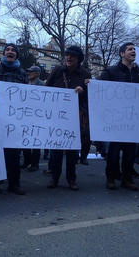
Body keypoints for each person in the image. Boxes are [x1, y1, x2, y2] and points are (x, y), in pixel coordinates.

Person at [0, 43, 28, 195]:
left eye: (13, 50)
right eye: (7, 50)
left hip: (15, 117)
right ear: (4, 54)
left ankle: (14, 184)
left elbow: (26, 95)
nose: (10, 52)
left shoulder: (22, 73)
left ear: (17, 55)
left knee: (14, 152)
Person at [101, 42, 139, 191]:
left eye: (134, 49)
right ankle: (111, 178)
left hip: (132, 119)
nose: (133, 51)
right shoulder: (111, 71)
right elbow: (101, 91)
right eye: (130, 49)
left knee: (130, 151)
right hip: (116, 118)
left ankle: (127, 178)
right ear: (122, 54)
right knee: (113, 151)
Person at [46, 45, 89, 191]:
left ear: (79, 59)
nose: (69, 58)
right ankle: (54, 177)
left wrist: (83, 91)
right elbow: (46, 88)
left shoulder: (84, 73)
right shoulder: (57, 70)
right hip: (57, 116)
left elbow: (91, 95)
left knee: (72, 150)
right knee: (56, 149)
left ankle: (71, 179)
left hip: (75, 117)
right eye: (67, 55)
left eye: (72, 56)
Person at [21, 65, 44, 172]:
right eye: (28, 71)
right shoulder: (25, 83)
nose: (28, 73)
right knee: (24, 140)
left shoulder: (42, 85)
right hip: (25, 116)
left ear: (37, 73)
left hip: (37, 117)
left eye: (31, 71)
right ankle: (27, 161)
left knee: (35, 141)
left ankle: (35, 164)